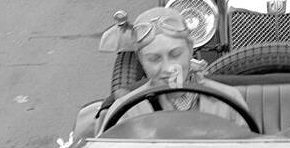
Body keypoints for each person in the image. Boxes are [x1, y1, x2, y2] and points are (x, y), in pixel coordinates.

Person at [101, 9, 247, 127]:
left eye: (175, 54)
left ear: (190, 50)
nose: (169, 68)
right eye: (154, 59)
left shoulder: (229, 99)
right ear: (141, 61)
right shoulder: (126, 111)